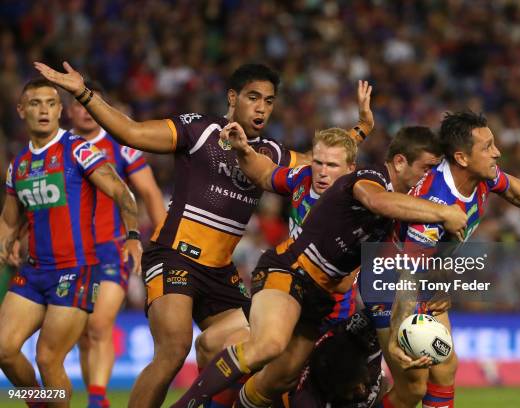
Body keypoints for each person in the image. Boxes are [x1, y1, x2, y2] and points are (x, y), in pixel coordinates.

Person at [34, 61, 368, 407]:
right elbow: (132, 133)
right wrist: (83, 93)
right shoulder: (200, 130)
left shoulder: (272, 155)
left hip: (221, 273)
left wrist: (360, 130)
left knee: (258, 347)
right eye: (253, 97)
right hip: (173, 256)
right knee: (174, 350)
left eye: (269, 101)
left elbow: (327, 163)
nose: (261, 108)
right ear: (232, 97)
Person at [171, 123, 467, 408]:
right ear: (400, 163)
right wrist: (443, 212)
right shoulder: (370, 178)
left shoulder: (401, 213)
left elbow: (403, 272)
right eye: (427, 169)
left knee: (278, 379)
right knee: (268, 345)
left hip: (320, 300)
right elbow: (377, 202)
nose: (429, 179)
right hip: (288, 272)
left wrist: (431, 292)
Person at [383, 111, 520, 408]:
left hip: (423, 273)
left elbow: (516, 191)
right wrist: (400, 327)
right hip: (390, 282)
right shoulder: (435, 202)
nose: (497, 152)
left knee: (445, 367)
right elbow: (409, 272)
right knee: (413, 388)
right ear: (461, 157)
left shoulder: (479, 175)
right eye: (487, 147)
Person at [195, 82, 374, 408]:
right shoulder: (301, 178)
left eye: (330, 167)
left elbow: (345, 281)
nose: (321, 172)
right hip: (286, 294)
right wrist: (243, 149)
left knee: (284, 386)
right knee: (209, 343)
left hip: (325, 318)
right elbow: (270, 174)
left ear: (351, 172)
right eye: (317, 163)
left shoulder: (358, 209)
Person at [0, 78, 142, 408]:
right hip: (34, 272)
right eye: (35, 103)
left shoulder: (77, 149)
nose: (44, 110)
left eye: (51, 103)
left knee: (48, 359)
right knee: (4, 350)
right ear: (22, 111)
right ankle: (38, 401)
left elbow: (122, 191)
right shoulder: (18, 165)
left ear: (60, 110)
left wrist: (133, 236)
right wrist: (6, 241)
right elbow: (9, 218)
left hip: (74, 271)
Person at [65, 80, 166, 408]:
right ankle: (99, 397)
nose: (86, 111)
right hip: (73, 253)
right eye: (78, 105)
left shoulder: (122, 145)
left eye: (89, 103)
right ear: (69, 112)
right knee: (82, 332)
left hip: (113, 248)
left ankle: (96, 399)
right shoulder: (61, 148)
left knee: (98, 323)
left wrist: (164, 241)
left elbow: (149, 193)